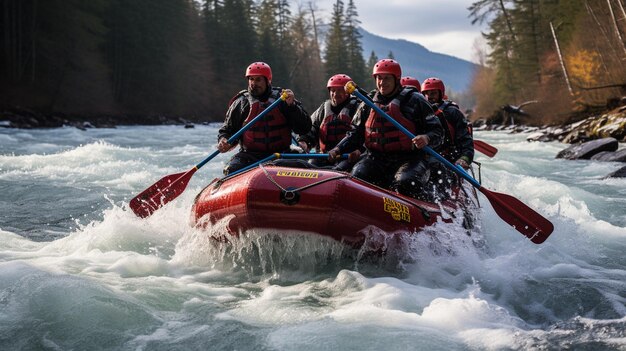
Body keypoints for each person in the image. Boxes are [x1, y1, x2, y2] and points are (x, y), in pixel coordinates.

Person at [328, 59, 443, 199]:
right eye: (379, 78)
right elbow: (355, 133)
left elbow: (438, 131)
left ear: (397, 79)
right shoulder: (368, 102)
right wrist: (338, 149)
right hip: (376, 158)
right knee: (358, 177)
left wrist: (426, 137)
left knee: (405, 183)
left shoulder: (415, 100)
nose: (382, 82)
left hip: (409, 159)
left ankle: (426, 205)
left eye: (387, 78)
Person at [217, 62, 311, 175]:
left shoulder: (283, 99)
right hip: (250, 156)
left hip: (281, 154)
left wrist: (292, 107)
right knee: (231, 170)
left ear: (268, 81)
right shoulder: (241, 103)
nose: (253, 83)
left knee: (301, 165)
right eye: (251, 79)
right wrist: (223, 140)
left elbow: (304, 128)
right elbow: (227, 131)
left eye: (258, 80)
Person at [296, 74, 361, 170]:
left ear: (348, 92)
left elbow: (363, 133)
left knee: (339, 170)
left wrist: (360, 150)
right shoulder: (323, 109)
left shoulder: (357, 107)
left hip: (348, 156)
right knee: (310, 166)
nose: (335, 94)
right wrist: (305, 141)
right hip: (325, 156)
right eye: (333, 90)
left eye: (340, 90)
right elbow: (312, 127)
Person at [421, 77, 474, 169]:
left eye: (433, 93)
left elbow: (465, 141)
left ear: (441, 94)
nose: (429, 97)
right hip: (426, 156)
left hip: (449, 157)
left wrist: (465, 158)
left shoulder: (453, 112)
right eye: (426, 94)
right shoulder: (419, 111)